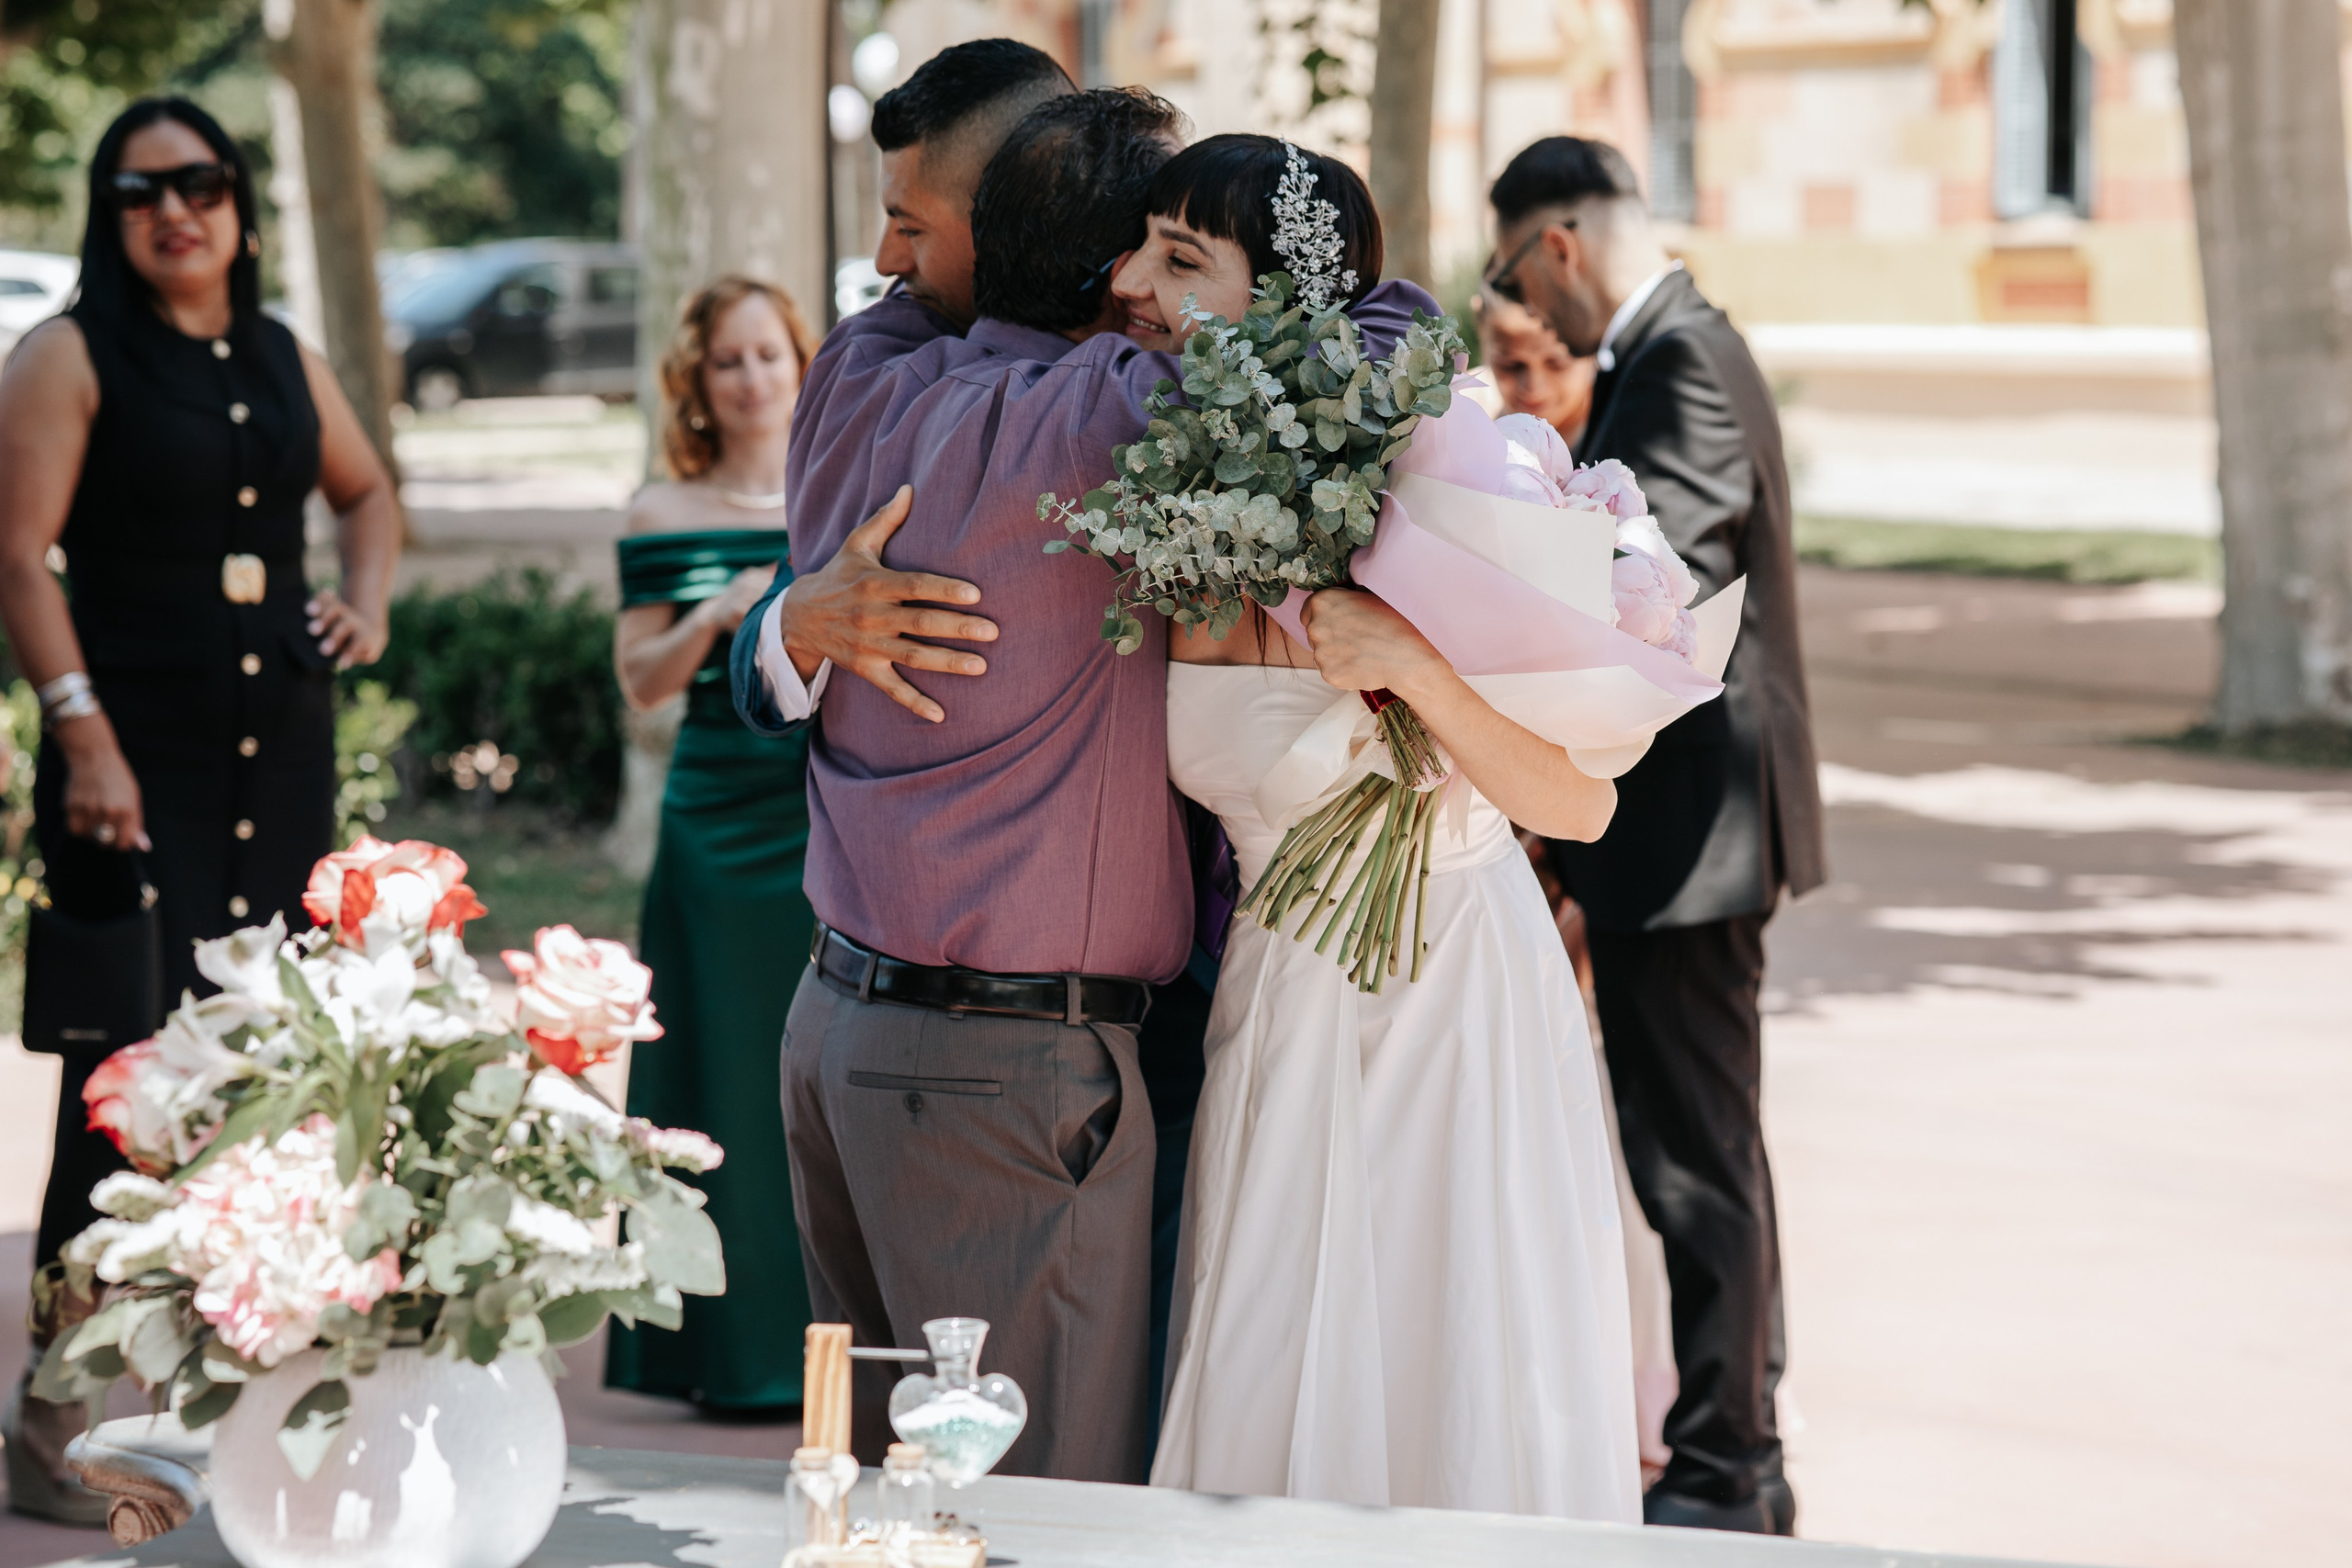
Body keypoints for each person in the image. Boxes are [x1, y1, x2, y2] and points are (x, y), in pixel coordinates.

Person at [733, 85, 1438, 1483]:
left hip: (832, 1040)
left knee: (875, 1488)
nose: (886, 263)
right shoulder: (1119, 415)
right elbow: (1387, 330)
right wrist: (1241, 234)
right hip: (1005, 1087)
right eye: (1154, 248)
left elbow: (924, 308)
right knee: (1033, 1502)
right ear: (1115, 274)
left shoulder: (856, 372)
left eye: (907, 224)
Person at [1122, 136, 1640, 1521]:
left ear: (1282, 300)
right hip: (1284, 1003)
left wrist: (1415, 663)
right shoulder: (1164, 517)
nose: (1134, 286)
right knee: (1274, 1359)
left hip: (1461, 993)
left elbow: (1577, 798)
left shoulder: (1427, 498)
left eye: (1180, 261)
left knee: (1457, 1360)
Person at [0, 97, 398, 1523]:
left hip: (273, 764)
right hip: (126, 771)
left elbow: (367, 493)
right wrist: (79, 731)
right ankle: (52, 1426)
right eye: (141, 190)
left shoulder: (282, 350)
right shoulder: (67, 353)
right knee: (124, 1094)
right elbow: (16, 555)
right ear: (108, 215)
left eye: (204, 183)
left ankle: (252, 1408)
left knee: (273, 1087)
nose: (178, 210)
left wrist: (370, 597)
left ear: (238, 201)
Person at [1486, 135, 1826, 1535]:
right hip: (1683, 836)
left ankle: (1727, 1463)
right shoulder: (1673, 350)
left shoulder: (1679, 356)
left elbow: (1654, 562)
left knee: (1693, 1157)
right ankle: (1742, 1430)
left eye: (1512, 269)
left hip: (1692, 841)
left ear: (1559, 245)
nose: (1518, 303)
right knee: (1705, 1145)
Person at [602, 275, 822, 1413]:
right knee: (711, 1076)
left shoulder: (839, 486)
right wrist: (710, 616)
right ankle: (715, 1353)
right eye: (728, 361)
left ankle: (819, 1342)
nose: (750, 380)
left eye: (768, 356)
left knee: (802, 1068)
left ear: (799, 363)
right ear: (700, 379)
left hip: (818, 805)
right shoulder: (659, 511)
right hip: (710, 814)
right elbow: (640, 688)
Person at [1473, 285, 1598, 447]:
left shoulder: (1623, 421)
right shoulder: (1458, 418)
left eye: (1558, 364)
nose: (1533, 387)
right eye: (1511, 365)